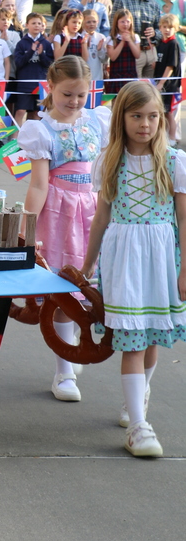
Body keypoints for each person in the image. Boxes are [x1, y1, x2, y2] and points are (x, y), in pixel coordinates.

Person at [82, 81, 186, 457]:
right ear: (121, 118)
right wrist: (87, 265)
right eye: (136, 116)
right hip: (122, 256)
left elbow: (184, 220)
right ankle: (139, 427)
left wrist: (185, 268)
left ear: (163, 118)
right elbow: (100, 218)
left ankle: (137, 399)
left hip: (161, 258)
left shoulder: (175, 161)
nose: (145, 123)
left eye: (153, 116)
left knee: (153, 336)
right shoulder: (109, 160)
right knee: (133, 339)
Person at [19, 56, 111, 401]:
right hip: (58, 213)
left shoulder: (96, 121)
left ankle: (72, 348)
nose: (74, 102)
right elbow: (39, 185)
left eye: (80, 95)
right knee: (62, 292)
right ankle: (64, 371)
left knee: (88, 287)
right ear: (50, 88)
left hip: (91, 209)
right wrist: (28, 232)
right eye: (67, 94)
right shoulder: (40, 130)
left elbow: (102, 171)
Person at [111, 0, 161, 79]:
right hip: (131, 52)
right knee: (135, 90)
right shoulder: (122, 1)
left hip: (150, 51)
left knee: (149, 90)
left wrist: (154, 33)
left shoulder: (154, 4)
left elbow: (159, 30)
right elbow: (113, 28)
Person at [10, 13, 54, 125]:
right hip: (25, 84)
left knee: (36, 113)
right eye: (33, 23)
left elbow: (50, 64)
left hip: (40, 83)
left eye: (39, 23)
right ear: (27, 25)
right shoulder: (22, 43)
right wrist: (30, 52)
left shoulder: (46, 44)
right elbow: (18, 63)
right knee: (20, 111)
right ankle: (15, 139)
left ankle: (31, 138)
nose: (36, 26)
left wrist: (41, 54)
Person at [154, 14, 181, 145]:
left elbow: (171, 66)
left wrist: (161, 83)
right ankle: (163, 137)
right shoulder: (161, 44)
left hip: (169, 85)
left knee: (169, 112)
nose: (167, 30)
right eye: (164, 27)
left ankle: (172, 139)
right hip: (160, 83)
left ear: (175, 29)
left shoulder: (173, 44)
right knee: (162, 112)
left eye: (170, 27)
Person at [106, 8, 140, 95]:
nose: (125, 24)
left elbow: (137, 55)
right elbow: (113, 57)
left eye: (128, 21)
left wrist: (129, 40)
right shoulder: (111, 38)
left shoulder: (135, 37)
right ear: (116, 23)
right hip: (116, 74)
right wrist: (122, 41)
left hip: (130, 73)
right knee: (116, 99)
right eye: (122, 22)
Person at [82, 10, 107, 84]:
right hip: (83, 76)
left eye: (94, 22)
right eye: (88, 22)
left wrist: (99, 50)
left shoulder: (101, 37)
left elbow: (104, 59)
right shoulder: (80, 37)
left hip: (97, 76)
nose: (91, 24)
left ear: (98, 22)